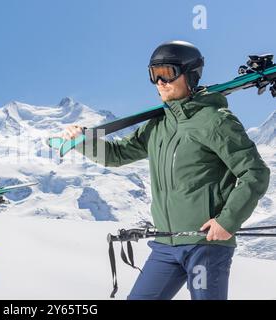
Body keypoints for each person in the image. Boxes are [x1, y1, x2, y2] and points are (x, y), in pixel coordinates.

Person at [62, 40, 270, 300]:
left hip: (205, 245)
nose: (160, 82)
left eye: (168, 73)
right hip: (165, 245)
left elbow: (255, 173)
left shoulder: (216, 122)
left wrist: (227, 221)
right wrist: (85, 142)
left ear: (190, 74)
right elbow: (118, 155)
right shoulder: (157, 125)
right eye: (154, 74)